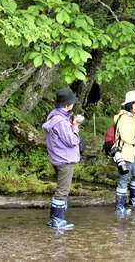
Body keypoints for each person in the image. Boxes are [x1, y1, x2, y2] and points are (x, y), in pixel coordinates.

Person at [42, 87, 82, 230]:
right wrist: (75, 126)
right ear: (67, 105)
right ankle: (57, 220)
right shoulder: (60, 121)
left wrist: (71, 124)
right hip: (65, 160)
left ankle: (54, 219)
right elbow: (71, 141)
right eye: (72, 103)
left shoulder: (54, 116)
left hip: (58, 158)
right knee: (63, 190)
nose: (73, 105)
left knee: (61, 189)